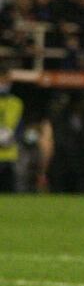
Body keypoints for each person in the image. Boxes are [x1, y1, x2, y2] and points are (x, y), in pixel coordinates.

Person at [0, 60, 22, 193]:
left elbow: (19, 127)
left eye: (7, 80)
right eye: (2, 80)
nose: (5, 83)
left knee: (9, 194)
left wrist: (11, 137)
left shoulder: (16, 102)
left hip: (9, 155)